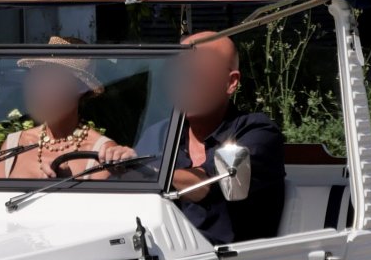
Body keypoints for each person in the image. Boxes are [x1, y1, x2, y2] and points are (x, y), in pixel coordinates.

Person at [100, 31, 285, 245]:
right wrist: (119, 166)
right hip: (165, 258)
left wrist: (147, 172)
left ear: (231, 82)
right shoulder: (160, 134)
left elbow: (206, 184)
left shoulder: (257, 132)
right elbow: (133, 199)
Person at [0, 37, 118, 180]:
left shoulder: (101, 152)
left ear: (81, 88)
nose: (45, 89)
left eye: (56, 79)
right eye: (41, 78)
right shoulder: (13, 145)